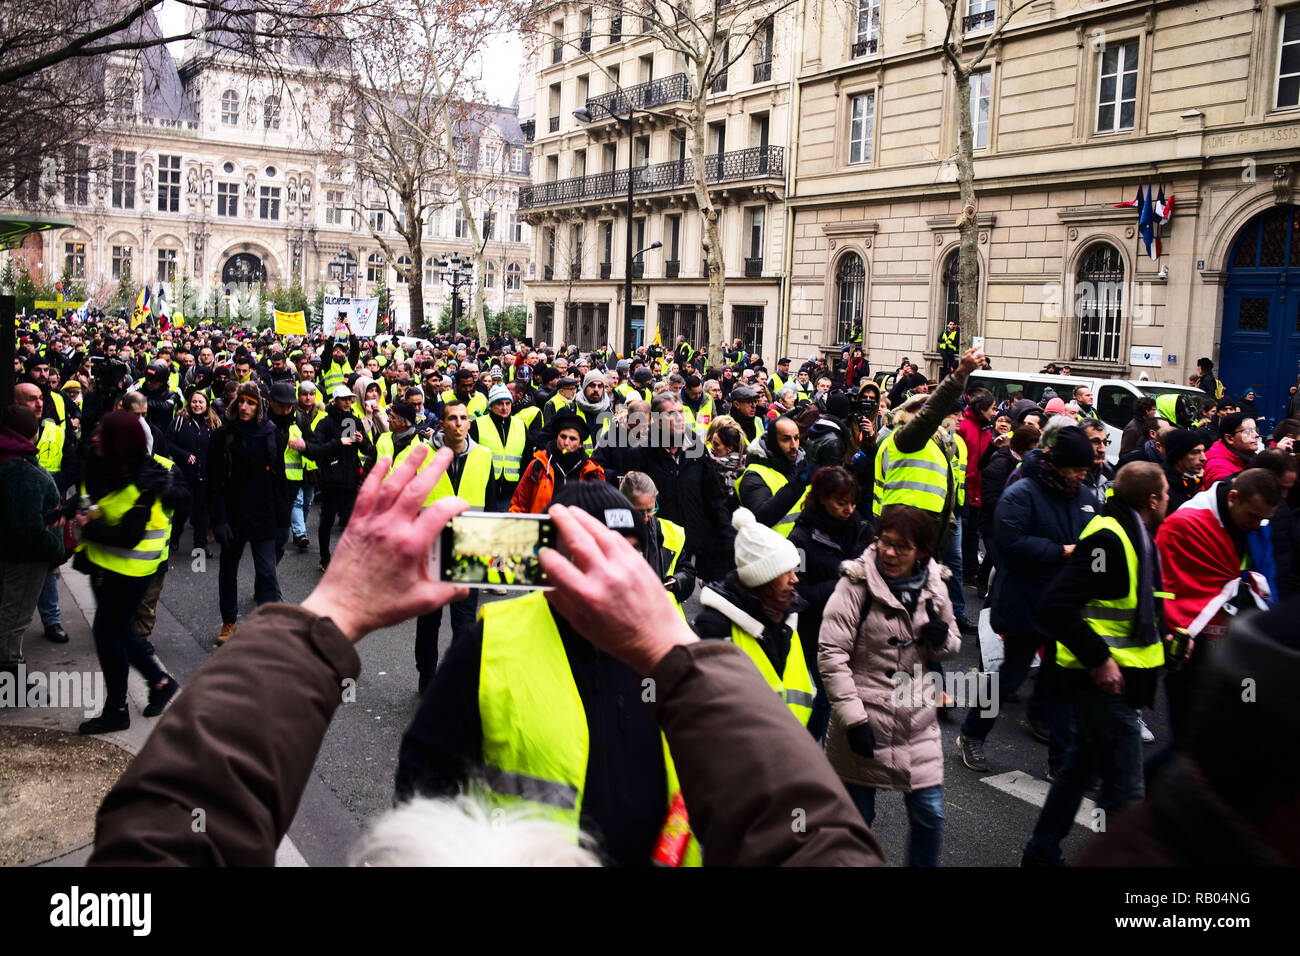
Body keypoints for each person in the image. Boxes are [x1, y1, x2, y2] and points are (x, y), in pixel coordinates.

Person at [1020, 463, 1171, 866]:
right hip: (1106, 686)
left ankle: (1040, 853)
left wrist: (1167, 633)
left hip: (1120, 681)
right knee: (1127, 793)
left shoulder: (1132, 532)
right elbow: (1056, 605)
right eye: (1167, 492)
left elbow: (1132, 602)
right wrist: (1101, 660)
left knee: (1076, 773)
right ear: (1152, 499)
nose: (1170, 499)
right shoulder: (1109, 539)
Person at [819, 503, 959, 865]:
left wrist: (942, 638)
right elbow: (832, 655)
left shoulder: (935, 585)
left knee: (930, 816)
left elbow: (953, 644)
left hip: (917, 722)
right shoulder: (854, 585)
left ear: (922, 553)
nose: (890, 552)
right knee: (856, 823)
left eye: (902, 547)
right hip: (863, 723)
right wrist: (853, 718)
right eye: (885, 542)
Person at [956, 425, 1099, 774]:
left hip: (1064, 606)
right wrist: (1060, 551)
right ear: (1058, 464)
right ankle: (973, 733)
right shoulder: (1021, 492)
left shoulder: (1084, 497)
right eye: (1077, 469)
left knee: (1060, 683)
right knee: (1010, 677)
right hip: (1025, 601)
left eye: (1085, 470)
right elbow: (1008, 545)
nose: (1082, 475)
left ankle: (1059, 762)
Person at [74, 411, 183, 733]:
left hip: (130, 569)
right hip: (105, 563)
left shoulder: (148, 475)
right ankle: (160, 682)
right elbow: (92, 497)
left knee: (109, 634)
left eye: (102, 433)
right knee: (117, 632)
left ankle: (118, 708)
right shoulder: (104, 461)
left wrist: (86, 528)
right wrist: (68, 509)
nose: (95, 437)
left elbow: (129, 535)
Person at [1156, 468, 1279, 744]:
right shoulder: (1188, 522)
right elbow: (1165, 581)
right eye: (1253, 515)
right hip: (1191, 646)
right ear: (1233, 497)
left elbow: (1263, 573)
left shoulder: (1257, 526)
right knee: (1191, 744)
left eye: (1264, 519)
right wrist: (1174, 628)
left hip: (1235, 646)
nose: (1257, 524)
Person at [693, 509, 816, 729]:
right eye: (786, 572)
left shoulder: (787, 620)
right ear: (764, 578)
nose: (795, 579)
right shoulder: (716, 629)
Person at [413, 398, 496, 691]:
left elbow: (491, 503)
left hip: (469, 548)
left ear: (469, 424)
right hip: (432, 548)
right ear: (442, 424)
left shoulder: (485, 456)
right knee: (429, 620)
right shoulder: (421, 454)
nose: (458, 423)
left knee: (464, 622)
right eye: (452, 418)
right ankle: (426, 675)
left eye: (463, 418)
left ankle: (459, 682)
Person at [788, 466, 873, 740]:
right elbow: (798, 595)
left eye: (852, 502)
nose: (848, 509)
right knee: (824, 699)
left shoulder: (861, 529)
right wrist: (845, 581)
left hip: (858, 631)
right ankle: (808, 752)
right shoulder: (800, 539)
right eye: (840, 503)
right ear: (822, 498)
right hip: (818, 634)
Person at [0, 406, 64, 686]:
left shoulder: (11, 460)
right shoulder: (23, 472)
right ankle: (11, 683)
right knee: (14, 618)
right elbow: (29, 527)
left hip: (13, 553)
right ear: (30, 433)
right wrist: (55, 548)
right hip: (24, 558)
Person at [303, 385, 375, 571]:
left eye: (349, 399)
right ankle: (325, 558)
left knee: (350, 522)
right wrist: (337, 443)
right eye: (343, 399)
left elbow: (369, 450)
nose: (347, 402)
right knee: (327, 521)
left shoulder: (355, 421)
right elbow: (315, 450)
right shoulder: (325, 423)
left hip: (351, 479)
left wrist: (362, 441)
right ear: (335, 401)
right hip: (331, 481)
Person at [618, 471, 697, 610]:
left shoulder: (671, 533)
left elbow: (687, 571)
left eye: (651, 510)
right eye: (639, 511)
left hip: (665, 620)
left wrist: (677, 582)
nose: (646, 517)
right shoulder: (609, 534)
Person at [510, 410, 604, 513]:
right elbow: (519, 503)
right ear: (557, 437)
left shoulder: (591, 471)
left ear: (580, 444)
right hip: (542, 526)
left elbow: (599, 510)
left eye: (572, 439)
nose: (566, 442)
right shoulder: (539, 465)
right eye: (563, 437)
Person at [738, 415, 810, 537]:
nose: (794, 446)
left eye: (796, 438)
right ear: (772, 442)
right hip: (772, 553)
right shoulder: (754, 476)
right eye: (786, 439)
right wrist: (798, 483)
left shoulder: (801, 466)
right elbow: (761, 519)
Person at [167, 389, 219, 556]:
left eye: (200, 402)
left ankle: (200, 546)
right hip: (184, 475)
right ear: (190, 403)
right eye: (194, 402)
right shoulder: (180, 421)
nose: (197, 405)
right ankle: (174, 537)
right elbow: (168, 443)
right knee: (182, 509)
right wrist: (184, 455)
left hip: (205, 474)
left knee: (202, 511)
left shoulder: (213, 423)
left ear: (206, 404)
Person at [957, 387, 996, 585]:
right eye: (992, 408)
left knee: (973, 533)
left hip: (979, 489)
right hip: (964, 488)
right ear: (982, 409)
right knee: (965, 533)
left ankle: (970, 571)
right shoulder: (964, 426)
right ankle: (965, 570)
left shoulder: (987, 428)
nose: (995, 413)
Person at [473, 383, 530, 507]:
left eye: (507, 403)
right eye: (499, 403)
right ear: (492, 405)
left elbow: (527, 458)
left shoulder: (521, 426)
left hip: (512, 491)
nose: (504, 407)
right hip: (484, 489)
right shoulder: (477, 424)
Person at [287, 381, 325, 552]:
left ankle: (298, 532)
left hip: (313, 464)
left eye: (311, 394)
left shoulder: (322, 414)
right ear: (299, 395)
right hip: (294, 463)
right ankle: (300, 532)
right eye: (304, 394)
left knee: (307, 502)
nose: (308, 397)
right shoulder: (292, 413)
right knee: (297, 500)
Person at [1202, 411, 1256, 484]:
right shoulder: (1218, 469)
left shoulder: (1247, 457)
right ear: (1229, 438)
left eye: (1255, 430)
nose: (1256, 435)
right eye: (1247, 432)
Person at [1161, 428, 1206, 512]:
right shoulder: (1164, 491)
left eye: (1203, 451)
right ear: (1178, 455)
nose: (1204, 458)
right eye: (1195, 452)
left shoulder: (1189, 483)